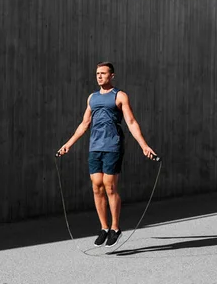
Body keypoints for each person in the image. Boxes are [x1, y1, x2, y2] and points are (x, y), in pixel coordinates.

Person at [57, 62, 157, 247]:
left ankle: (115, 228)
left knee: (109, 186)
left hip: (113, 145)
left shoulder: (119, 96)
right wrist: (68, 144)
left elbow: (131, 122)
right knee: (97, 187)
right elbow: (84, 124)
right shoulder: (92, 98)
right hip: (95, 147)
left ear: (112, 76)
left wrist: (144, 145)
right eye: (97, 73)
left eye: (103, 73)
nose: (99, 76)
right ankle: (104, 228)